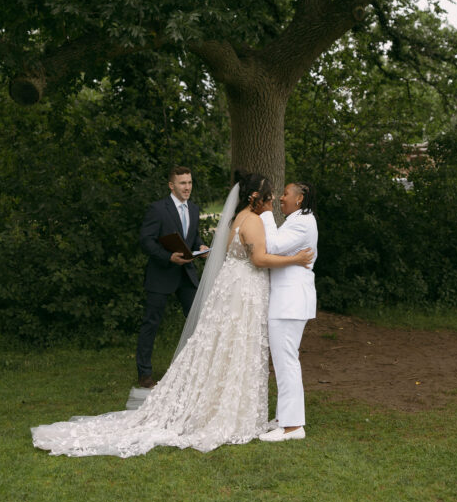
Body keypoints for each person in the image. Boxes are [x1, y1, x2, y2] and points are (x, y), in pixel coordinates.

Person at [31, 172, 313, 456]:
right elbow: (259, 258)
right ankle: (229, 412)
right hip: (244, 292)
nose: (273, 200)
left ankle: (228, 405)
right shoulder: (252, 221)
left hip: (236, 288)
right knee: (236, 348)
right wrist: (297, 259)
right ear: (256, 198)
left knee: (227, 348)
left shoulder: (238, 218)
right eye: (269, 196)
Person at [136, 165, 208, 389]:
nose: (187, 187)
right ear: (171, 185)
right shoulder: (158, 209)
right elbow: (146, 240)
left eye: (189, 182)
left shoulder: (194, 209)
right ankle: (144, 373)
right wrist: (168, 257)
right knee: (151, 322)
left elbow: (192, 238)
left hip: (186, 275)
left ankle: (198, 369)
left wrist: (201, 247)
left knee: (198, 321)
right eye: (182, 183)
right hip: (161, 274)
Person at [259, 182, 318, 443]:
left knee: (286, 362)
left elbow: (272, 246)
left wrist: (265, 213)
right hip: (287, 300)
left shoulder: (303, 222)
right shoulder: (297, 219)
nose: (281, 198)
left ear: (300, 198)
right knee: (284, 361)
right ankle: (285, 418)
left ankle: (293, 426)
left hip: (290, 301)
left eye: (285, 194)